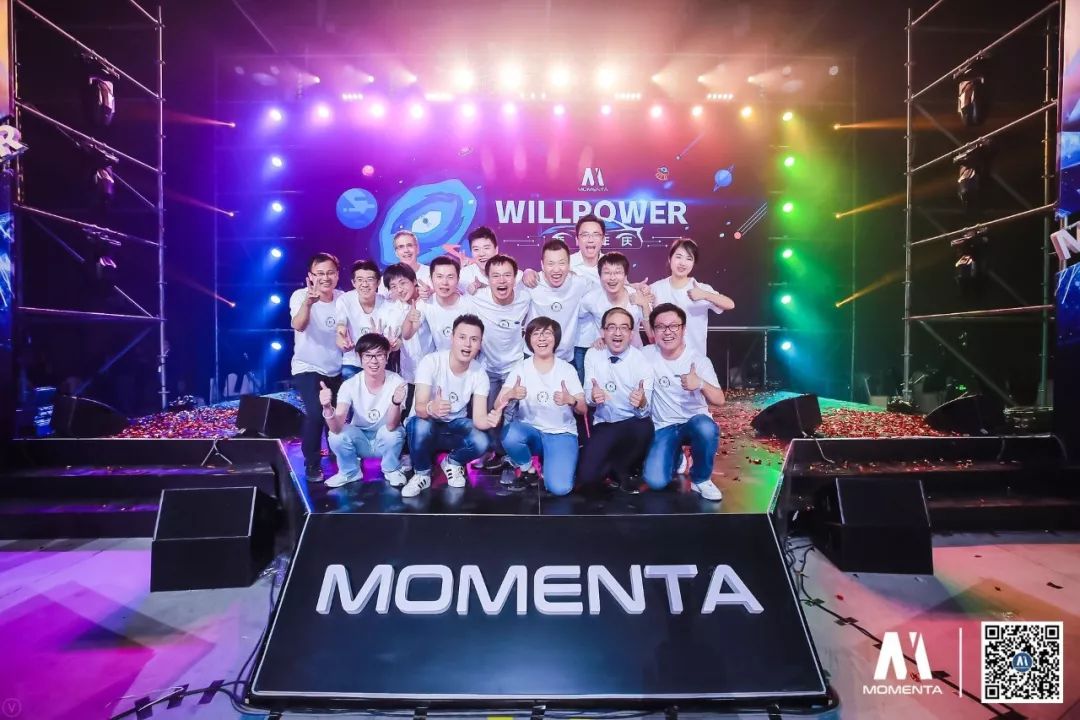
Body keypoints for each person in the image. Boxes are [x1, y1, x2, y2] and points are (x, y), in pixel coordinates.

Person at [402, 314, 496, 497]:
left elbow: (479, 420)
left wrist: (492, 419)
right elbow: (419, 407)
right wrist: (431, 408)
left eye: (474, 339)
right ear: (452, 338)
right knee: (419, 425)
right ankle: (422, 473)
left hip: (454, 427)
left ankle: (452, 462)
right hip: (427, 424)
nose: (467, 344)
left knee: (483, 440)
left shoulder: (479, 373)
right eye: (462, 337)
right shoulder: (431, 362)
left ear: (480, 343)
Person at [642, 303, 725, 501]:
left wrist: (700, 383)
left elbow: (720, 399)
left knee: (706, 427)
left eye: (674, 326)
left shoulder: (699, 360)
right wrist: (600, 342)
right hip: (664, 426)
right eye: (661, 327)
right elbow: (621, 348)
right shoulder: (646, 354)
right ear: (653, 331)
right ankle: (677, 456)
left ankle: (701, 479)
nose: (667, 331)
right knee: (655, 481)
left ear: (683, 328)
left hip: (694, 422)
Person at [497, 317, 586, 495]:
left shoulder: (567, 369)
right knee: (510, 434)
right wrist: (510, 394)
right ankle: (528, 469)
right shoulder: (521, 368)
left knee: (560, 488)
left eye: (547, 333)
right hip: (531, 432)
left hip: (561, 433)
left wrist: (571, 400)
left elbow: (583, 409)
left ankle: (554, 461)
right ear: (529, 340)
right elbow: (497, 403)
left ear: (556, 339)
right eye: (536, 334)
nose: (542, 338)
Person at [580, 307, 655, 494]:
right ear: (603, 331)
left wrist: (642, 402)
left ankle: (624, 468)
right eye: (611, 327)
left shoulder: (642, 361)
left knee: (644, 427)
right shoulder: (592, 354)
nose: (617, 333)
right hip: (605, 423)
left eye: (623, 328)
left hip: (632, 422)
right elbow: (588, 397)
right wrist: (593, 397)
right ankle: (611, 464)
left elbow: (646, 411)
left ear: (631, 333)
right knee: (587, 478)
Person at [319, 334, 408, 489]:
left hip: (384, 438)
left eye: (379, 355)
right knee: (336, 435)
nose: (374, 361)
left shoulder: (397, 382)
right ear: (359, 358)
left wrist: (395, 402)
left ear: (387, 357)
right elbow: (336, 427)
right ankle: (350, 472)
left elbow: (392, 425)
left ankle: (391, 469)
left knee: (393, 433)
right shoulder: (350, 385)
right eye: (368, 355)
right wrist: (327, 408)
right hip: (360, 440)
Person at [470, 254, 533, 470]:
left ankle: (510, 455)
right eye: (495, 276)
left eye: (507, 275)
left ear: (516, 277)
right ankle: (490, 451)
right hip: (487, 367)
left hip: (515, 367)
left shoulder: (525, 297)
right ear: (487, 279)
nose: (502, 280)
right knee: (488, 415)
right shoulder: (477, 297)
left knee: (510, 414)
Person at [290, 252, 345, 481]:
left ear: (337, 275)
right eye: (320, 273)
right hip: (307, 366)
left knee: (336, 416)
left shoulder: (343, 299)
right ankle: (312, 463)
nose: (325, 278)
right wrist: (308, 303)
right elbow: (298, 325)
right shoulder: (300, 296)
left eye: (330, 272)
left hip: (336, 367)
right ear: (311, 276)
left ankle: (339, 459)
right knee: (315, 414)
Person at [648, 238, 735, 360]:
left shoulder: (701, 288)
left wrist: (705, 295)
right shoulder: (656, 288)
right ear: (670, 258)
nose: (683, 263)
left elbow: (730, 304)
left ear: (694, 263)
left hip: (695, 358)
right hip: (663, 360)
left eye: (689, 259)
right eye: (678, 257)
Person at [524, 239, 597, 368]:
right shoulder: (532, 283)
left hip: (565, 359)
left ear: (569, 265)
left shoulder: (579, 283)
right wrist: (526, 271)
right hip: (532, 356)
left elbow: (606, 292)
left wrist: (631, 287)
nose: (556, 269)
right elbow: (505, 283)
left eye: (562, 263)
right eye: (550, 264)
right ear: (542, 265)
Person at [580, 251, 651, 352]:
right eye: (607, 273)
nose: (612, 278)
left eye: (617, 272)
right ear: (600, 276)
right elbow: (577, 320)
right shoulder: (591, 299)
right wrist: (596, 336)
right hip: (604, 355)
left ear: (625, 276)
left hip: (634, 355)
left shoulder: (638, 296)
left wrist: (645, 305)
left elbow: (652, 336)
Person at [402, 255, 475, 352]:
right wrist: (409, 318)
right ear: (431, 279)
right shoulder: (425, 303)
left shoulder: (469, 305)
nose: (444, 282)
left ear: (458, 279)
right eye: (439, 276)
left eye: (450, 277)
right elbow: (407, 335)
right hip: (441, 359)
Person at [335, 260, 388, 380]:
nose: (364, 284)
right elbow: (341, 327)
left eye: (370, 279)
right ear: (353, 282)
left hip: (379, 363)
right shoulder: (345, 300)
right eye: (359, 280)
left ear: (378, 282)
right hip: (352, 363)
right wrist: (343, 341)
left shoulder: (386, 302)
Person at [379, 230, 433, 300]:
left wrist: (432, 293)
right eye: (401, 247)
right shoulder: (387, 278)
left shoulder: (431, 273)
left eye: (409, 245)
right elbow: (381, 303)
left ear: (417, 249)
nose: (406, 250)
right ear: (396, 252)